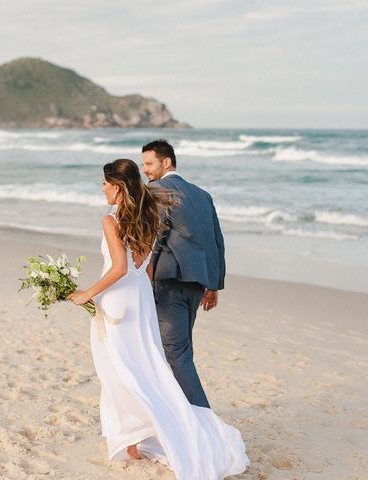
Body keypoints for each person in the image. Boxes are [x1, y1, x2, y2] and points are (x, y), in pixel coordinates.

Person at [68, 159, 248, 479]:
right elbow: (146, 269)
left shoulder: (111, 221)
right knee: (145, 369)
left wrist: (88, 294)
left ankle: (136, 438)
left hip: (118, 301)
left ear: (119, 187)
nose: (102, 189)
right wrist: (144, 301)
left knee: (120, 372)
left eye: (106, 184)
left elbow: (119, 268)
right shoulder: (149, 217)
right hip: (140, 300)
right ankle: (137, 440)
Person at [141, 139, 225, 408]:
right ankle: (181, 414)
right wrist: (213, 285)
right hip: (198, 284)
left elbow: (154, 239)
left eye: (149, 163)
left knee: (176, 353)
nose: (145, 170)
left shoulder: (156, 190)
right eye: (143, 165)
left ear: (166, 162)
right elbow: (215, 242)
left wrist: (144, 277)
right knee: (181, 351)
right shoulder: (202, 194)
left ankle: (204, 419)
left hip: (169, 282)